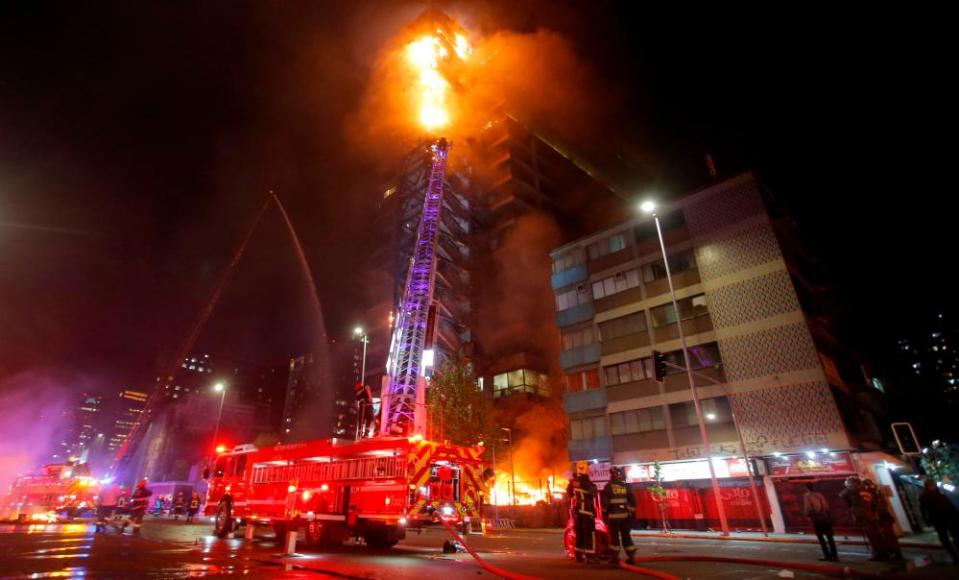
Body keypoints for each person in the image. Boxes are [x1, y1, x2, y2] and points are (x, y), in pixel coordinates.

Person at [840, 476, 884, 560]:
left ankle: (877, 554)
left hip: (862, 514)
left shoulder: (854, 489)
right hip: (870, 514)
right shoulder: (867, 491)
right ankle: (882, 552)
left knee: (871, 536)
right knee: (876, 534)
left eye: (849, 484)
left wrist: (851, 504)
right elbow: (874, 503)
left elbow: (842, 495)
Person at [602, 466, 637, 565]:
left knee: (614, 537)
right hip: (625, 517)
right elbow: (633, 501)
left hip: (614, 517)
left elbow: (605, 503)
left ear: (611, 475)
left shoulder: (608, 486)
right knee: (626, 536)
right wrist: (630, 511)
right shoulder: (625, 486)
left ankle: (615, 558)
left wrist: (605, 513)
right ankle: (631, 557)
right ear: (619, 475)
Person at [919, 479, 959, 564]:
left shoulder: (926, 496)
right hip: (944, 518)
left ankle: (955, 556)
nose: (933, 487)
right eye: (932, 485)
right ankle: (955, 556)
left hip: (941, 519)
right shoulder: (938, 495)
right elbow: (949, 506)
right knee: (951, 537)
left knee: (948, 538)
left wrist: (927, 519)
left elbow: (923, 510)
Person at [566, 461, 597, 563]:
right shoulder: (587, 482)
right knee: (588, 533)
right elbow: (593, 494)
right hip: (587, 511)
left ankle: (578, 555)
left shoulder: (574, 481)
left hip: (578, 511)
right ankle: (590, 556)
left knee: (579, 533)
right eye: (588, 468)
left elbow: (569, 491)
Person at [865, 479, 903, 562]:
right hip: (884, 516)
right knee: (889, 535)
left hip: (881, 517)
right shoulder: (877, 492)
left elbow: (876, 506)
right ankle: (894, 552)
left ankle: (892, 552)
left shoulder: (872, 494)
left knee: (887, 535)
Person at [803, 482, 837, 561]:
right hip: (825, 517)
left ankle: (827, 555)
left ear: (806, 488)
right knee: (830, 537)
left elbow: (808, 508)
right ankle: (834, 555)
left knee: (821, 538)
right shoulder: (820, 495)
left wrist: (808, 515)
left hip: (817, 518)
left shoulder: (807, 496)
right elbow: (826, 506)